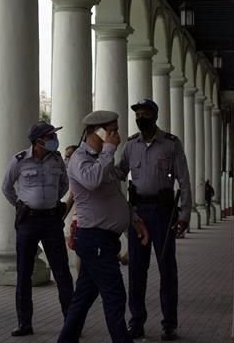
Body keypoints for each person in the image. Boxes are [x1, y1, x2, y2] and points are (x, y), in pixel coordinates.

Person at [58, 110, 150, 343]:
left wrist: (134, 219)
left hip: (105, 240)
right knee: (114, 294)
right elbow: (92, 181)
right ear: (98, 131)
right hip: (94, 239)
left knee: (83, 297)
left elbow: (113, 196)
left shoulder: (101, 158)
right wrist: (109, 150)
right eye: (113, 130)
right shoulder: (80, 159)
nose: (117, 135)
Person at [117, 98, 192, 341]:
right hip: (138, 214)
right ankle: (136, 322)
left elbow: (184, 180)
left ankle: (169, 324)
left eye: (145, 113)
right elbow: (118, 174)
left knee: (167, 269)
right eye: (137, 114)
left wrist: (184, 213)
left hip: (163, 213)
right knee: (137, 272)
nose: (140, 117)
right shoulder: (130, 146)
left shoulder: (170, 144)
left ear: (155, 116)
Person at [1, 121, 74, 337]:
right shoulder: (19, 160)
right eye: (50, 136)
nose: (54, 139)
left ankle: (71, 322)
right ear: (39, 140)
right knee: (24, 274)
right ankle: (24, 323)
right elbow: (6, 187)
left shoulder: (57, 159)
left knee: (62, 272)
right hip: (28, 222)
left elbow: (64, 184)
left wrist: (52, 200)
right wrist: (19, 204)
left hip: (51, 221)